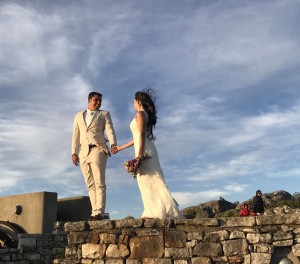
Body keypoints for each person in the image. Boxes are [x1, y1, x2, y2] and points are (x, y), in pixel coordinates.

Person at [113, 89, 184, 219]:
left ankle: (158, 211)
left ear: (139, 101)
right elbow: (137, 137)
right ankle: (153, 210)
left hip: (144, 150)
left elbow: (140, 135)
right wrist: (120, 148)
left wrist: (139, 156)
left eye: (134, 101)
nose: (133, 103)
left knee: (152, 179)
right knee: (146, 180)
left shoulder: (140, 114)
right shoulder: (142, 114)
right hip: (144, 147)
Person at [71, 91, 117, 221]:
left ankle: (100, 212)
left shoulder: (104, 114)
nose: (99, 102)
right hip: (83, 152)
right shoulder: (78, 115)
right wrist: (74, 152)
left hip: (98, 149)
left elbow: (110, 129)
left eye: (100, 101)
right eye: (96, 100)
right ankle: (94, 211)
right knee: (90, 184)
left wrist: (113, 144)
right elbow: (76, 135)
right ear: (89, 100)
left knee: (99, 182)